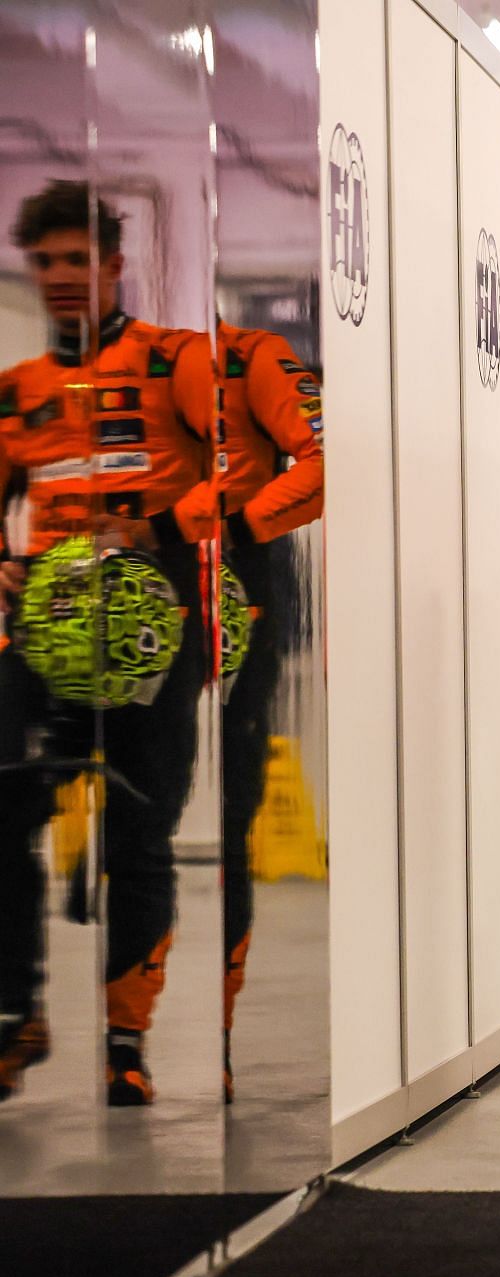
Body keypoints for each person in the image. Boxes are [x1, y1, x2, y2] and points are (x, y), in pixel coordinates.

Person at [0, 179, 215, 1105]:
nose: (57, 277)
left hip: (156, 640)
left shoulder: (178, 365)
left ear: (115, 266)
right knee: (1, 816)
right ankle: (18, 1016)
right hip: (41, 641)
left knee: (139, 838)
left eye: (75, 260)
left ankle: (126, 1042)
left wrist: (159, 528)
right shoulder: (16, 392)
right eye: (42, 262)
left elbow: (249, 475)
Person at [173, 319, 325, 1102]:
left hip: (243, 587)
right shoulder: (100, 366)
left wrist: (236, 527)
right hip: (112, 598)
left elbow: (321, 462)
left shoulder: (252, 355)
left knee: (231, 817)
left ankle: (216, 1037)